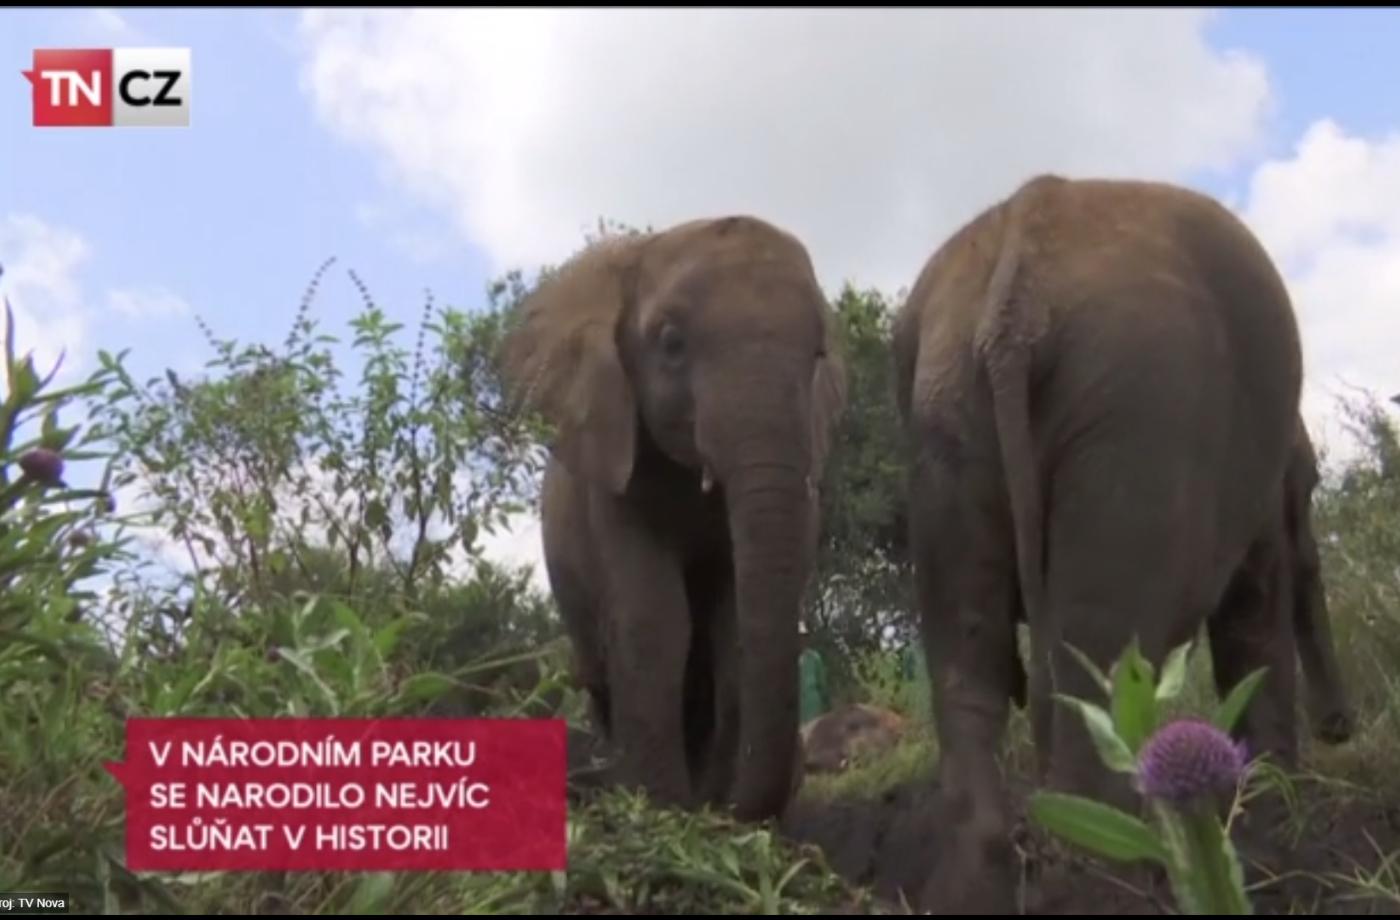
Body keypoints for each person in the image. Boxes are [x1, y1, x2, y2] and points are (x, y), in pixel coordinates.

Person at [798, 622, 830, 725]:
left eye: (803, 637)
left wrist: (826, 704)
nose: (801, 640)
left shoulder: (814, 658)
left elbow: (823, 684)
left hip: (813, 705)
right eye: (798, 637)